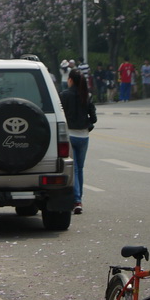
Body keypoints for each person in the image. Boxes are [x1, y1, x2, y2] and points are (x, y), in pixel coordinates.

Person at [60, 67, 97, 215]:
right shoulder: (86, 96)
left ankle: (76, 201)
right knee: (80, 169)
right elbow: (93, 118)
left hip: (70, 136)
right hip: (83, 137)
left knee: (74, 169)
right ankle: (79, 198)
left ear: (70, 80)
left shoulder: (64, 95)